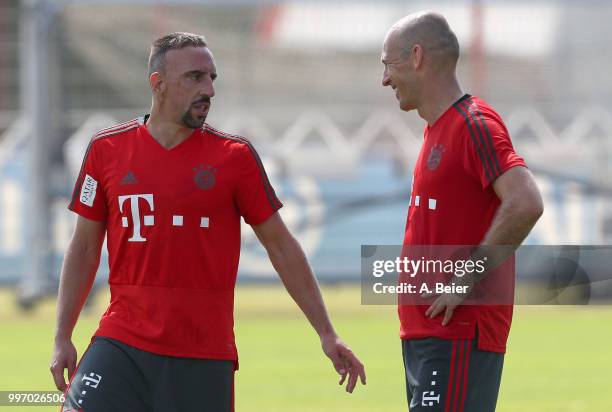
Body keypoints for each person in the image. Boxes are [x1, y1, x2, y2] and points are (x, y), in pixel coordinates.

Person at [50, 32, 365, 412]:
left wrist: (327, 334)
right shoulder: (106, 150)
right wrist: (63, 335)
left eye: (212, 78)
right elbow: (84, 247)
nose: (209, 90)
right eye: (195, 77)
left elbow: (281, 246)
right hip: (122, 341)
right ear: (158, 83)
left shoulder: (235, 157)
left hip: (202, 353)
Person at [381, 12, 543, 412]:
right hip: (429, 335)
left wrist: (464, 279)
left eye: (388, 64)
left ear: (417, 56)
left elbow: (525, 201)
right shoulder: (437, 129)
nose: (385, 79)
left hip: (458, 334)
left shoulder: (474, 124)